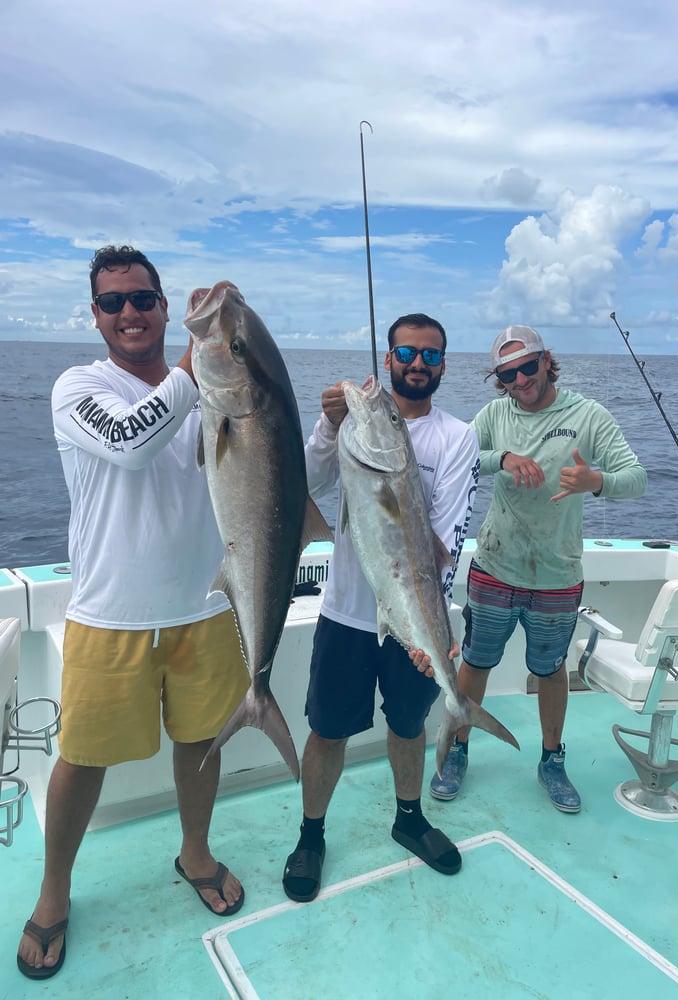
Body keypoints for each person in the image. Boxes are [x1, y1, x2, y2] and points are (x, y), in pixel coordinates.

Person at [17, 246, 250, 980]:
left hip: (205, 607)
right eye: (113, 302)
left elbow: (254, 465)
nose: (129, 314)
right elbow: (129, 443)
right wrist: (199, 362)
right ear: (95, 315)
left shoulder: (209, 392)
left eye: (143, 299)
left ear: (160, 305)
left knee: (202, 742)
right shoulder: (78, 386)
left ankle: (196, 851)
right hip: (109, 615)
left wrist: (323, 425)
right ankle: (55, 891)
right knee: (81, 759)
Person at [281, 313, 479, 903]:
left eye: (431, 356)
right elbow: (306, 479)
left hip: (412, 618)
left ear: (443, 364)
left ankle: (409, 817)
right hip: (345, 612)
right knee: (328, 729)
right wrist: (327, 424)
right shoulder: (352, 429)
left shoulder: (455, 437)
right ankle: (311, 834)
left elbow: (445, 535)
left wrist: (433, 629)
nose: (418, 364)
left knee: (408, 723)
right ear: (388, 357)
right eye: (406, 353)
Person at [428, 325, 647, 812]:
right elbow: (456, 461)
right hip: (494, 565)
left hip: (557, 574)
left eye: (528, 367)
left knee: (551, 671)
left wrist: (597, 480)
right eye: (508, 374)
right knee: (475, 663)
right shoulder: (492, 414)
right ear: (498, 378)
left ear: (547, 360)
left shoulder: (588, 415)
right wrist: (501, 457)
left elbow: (637, 478)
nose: (521, 380)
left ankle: (551, 757)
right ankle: (458, 746)